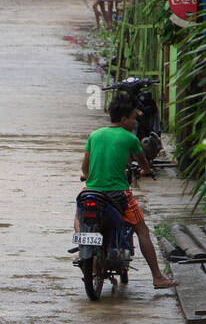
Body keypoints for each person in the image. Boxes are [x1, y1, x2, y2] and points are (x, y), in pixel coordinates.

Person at [72, 96, 176, 289]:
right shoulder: (130, 138)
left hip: (91, 191)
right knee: (142, 229)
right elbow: (144, 165)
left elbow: (85, 169)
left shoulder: (94, 135)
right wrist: (146, 171)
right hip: (117, 195)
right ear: (123, 119)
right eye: (133, 118)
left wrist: (87, 176)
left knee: (80, 214)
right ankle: (157, 277)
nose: (135, 122)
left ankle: (82, 247)